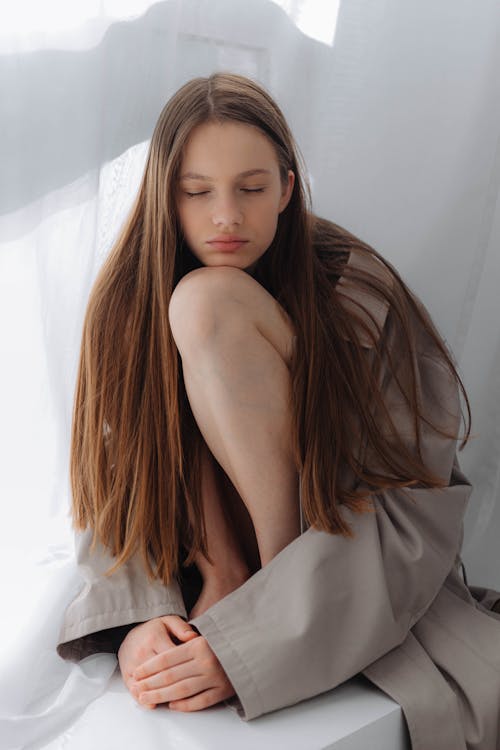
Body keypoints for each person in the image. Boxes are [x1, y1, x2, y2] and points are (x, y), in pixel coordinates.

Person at [57, 72, 500, 749]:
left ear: (288, 190)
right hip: (202, 565)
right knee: (192, 302)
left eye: (253, 189)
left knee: (205, 301)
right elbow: (116, 486)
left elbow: (413, 496)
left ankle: (280, 603)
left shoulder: (355, 287)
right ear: (163, 196)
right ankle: (233, 579)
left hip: (338, 556)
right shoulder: (124, 304)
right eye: (196, 192)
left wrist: (257, 641)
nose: (226, 216)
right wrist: (144, 618)